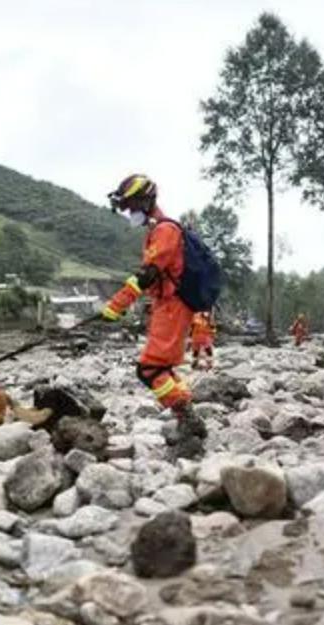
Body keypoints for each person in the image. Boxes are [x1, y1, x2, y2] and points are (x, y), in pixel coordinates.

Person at [101, 174, 207, 458]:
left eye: (131, 204)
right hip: (167, 306)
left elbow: (147, 275)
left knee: (150, 369)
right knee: (165, 369)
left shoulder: (165, 231)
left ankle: (189, 419)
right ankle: (189, 419)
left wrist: (116, 305)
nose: (128, 211)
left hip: (173, 306)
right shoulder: (158, 230)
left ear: (146, 201)